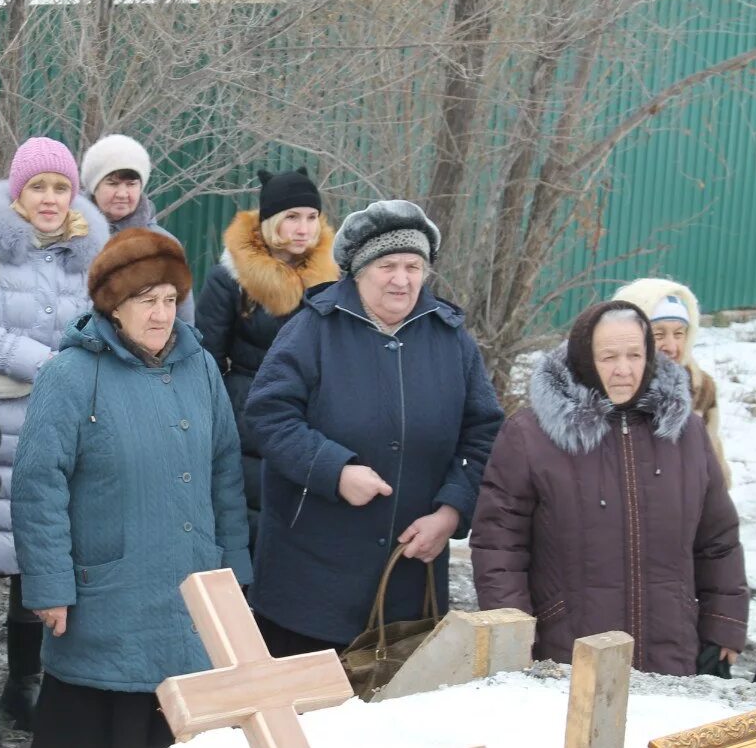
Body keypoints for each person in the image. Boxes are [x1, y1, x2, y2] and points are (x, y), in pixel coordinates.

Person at [12, 228, 251, 748]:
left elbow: (225, 473)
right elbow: (38, 484)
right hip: (107, 597)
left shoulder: (201, 367)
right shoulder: (71, 374)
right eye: (146, 300)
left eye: (169, 300)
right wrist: (50, 586)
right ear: (113, 305)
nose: (161, 315)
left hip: (189, 593)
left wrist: (233, 575)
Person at [244, 200, 503, 657]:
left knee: (391, 723)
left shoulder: (451, 340)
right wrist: (335, 470)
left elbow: (483, 434)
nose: (402, 279)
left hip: (408, 580)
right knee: (306, 719)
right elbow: (268, 416)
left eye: (413, 265)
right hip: (310, 583)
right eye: (387, 265)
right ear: (358, 271)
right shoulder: (313, 329)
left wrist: (450, 513)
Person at [0, 136, 108, 746]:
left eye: (61, 186)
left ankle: (24, 683)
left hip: (61, 427)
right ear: (18, 193)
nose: (51, 198)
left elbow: (105, 324)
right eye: (38, 186)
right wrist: (45, 362)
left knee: (40, 554)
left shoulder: (90, 252)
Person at [471, 300, 746, 675]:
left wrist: (723, 624)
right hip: (565, 653)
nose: (623, 370)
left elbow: (718, 538)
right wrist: (511, 637)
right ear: (585, 358)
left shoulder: (685, 434)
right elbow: (499, 544)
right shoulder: (531, 435)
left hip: (671, 650)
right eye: (609, 357)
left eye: (634, 355)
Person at [195, 167, 337, 544]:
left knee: (299, 530)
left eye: (311, 217)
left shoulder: (333, 282)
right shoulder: (230, 277)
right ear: (270, 221)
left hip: (312, 414)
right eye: (292, 217)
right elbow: (204, 358)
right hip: (245, 417)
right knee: (245, 528)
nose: (304, 228)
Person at [612, 278, 729, 487]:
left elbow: (714, 476)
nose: (672, 347)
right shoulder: (600, 394)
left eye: (679, 334)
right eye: (658, 334)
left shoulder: (700, 388)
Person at [79, 133, 193, 322]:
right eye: (112, 183)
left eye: (131, 184)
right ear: (94, 186)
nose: (122, 193)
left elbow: (183, 322)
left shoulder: (162, 246)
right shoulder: (67, 235)